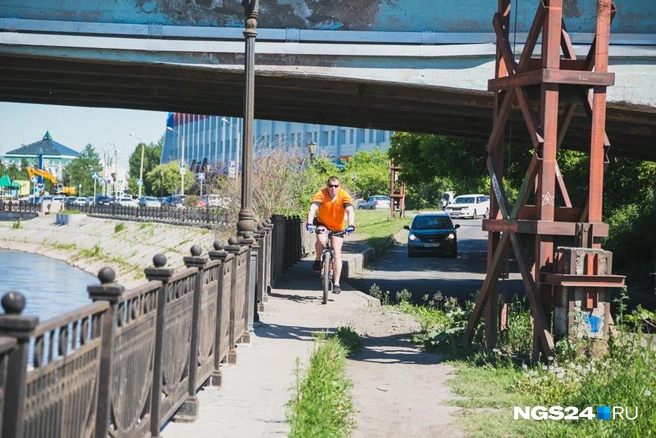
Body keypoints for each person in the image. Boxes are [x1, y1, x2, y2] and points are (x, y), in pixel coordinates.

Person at [306, 176, 355, 294]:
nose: (333, 189)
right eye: (330, 186)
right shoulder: (322, 194)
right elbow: (312, 208)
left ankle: (337, 283)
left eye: (336, 186)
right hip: (323, 223)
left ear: (339, 186)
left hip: (338, 227)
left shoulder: (344, 195)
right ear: (327, 186)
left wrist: (351, 225)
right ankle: (318, 259)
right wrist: (309, 223)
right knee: (321, 240)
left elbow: (350, 210)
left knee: (337, 254)